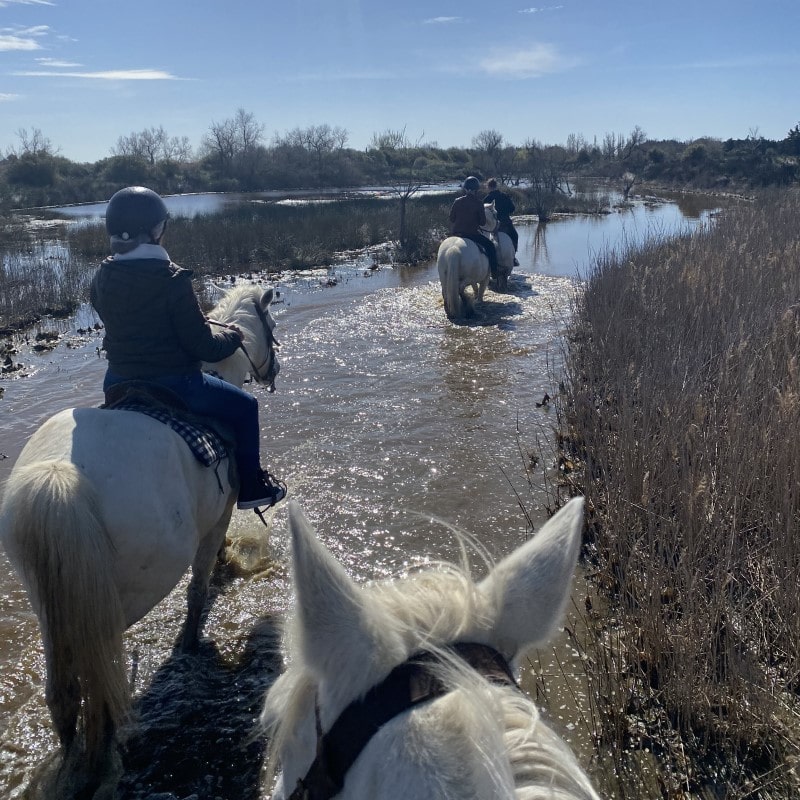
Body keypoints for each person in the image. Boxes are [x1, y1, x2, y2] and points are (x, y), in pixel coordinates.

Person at [90, 185, 286, 511]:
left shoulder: (102, 276)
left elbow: (120, 320)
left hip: (117, 382)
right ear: (156, 230)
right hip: (175, 384)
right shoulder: (171, 279)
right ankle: (252, 487)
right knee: (246, 407)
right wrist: (234, 337)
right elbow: (204, 347)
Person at [448, 176, 499, 277]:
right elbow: (483, 223)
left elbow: (451, 219)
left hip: (456, 234)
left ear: (465, 189)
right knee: (490, 246)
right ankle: (494, 272)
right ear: (476, 189)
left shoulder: (457, 201)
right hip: (472, 235)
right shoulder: (479, 203)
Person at [483, 178, 519, 263]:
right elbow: (512, 208)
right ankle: (513, 258)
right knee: (515, 236)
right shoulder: (504, 195)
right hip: (505, 223)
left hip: (492, 226)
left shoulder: (487, 199)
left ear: (488, 187)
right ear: (496, 186)